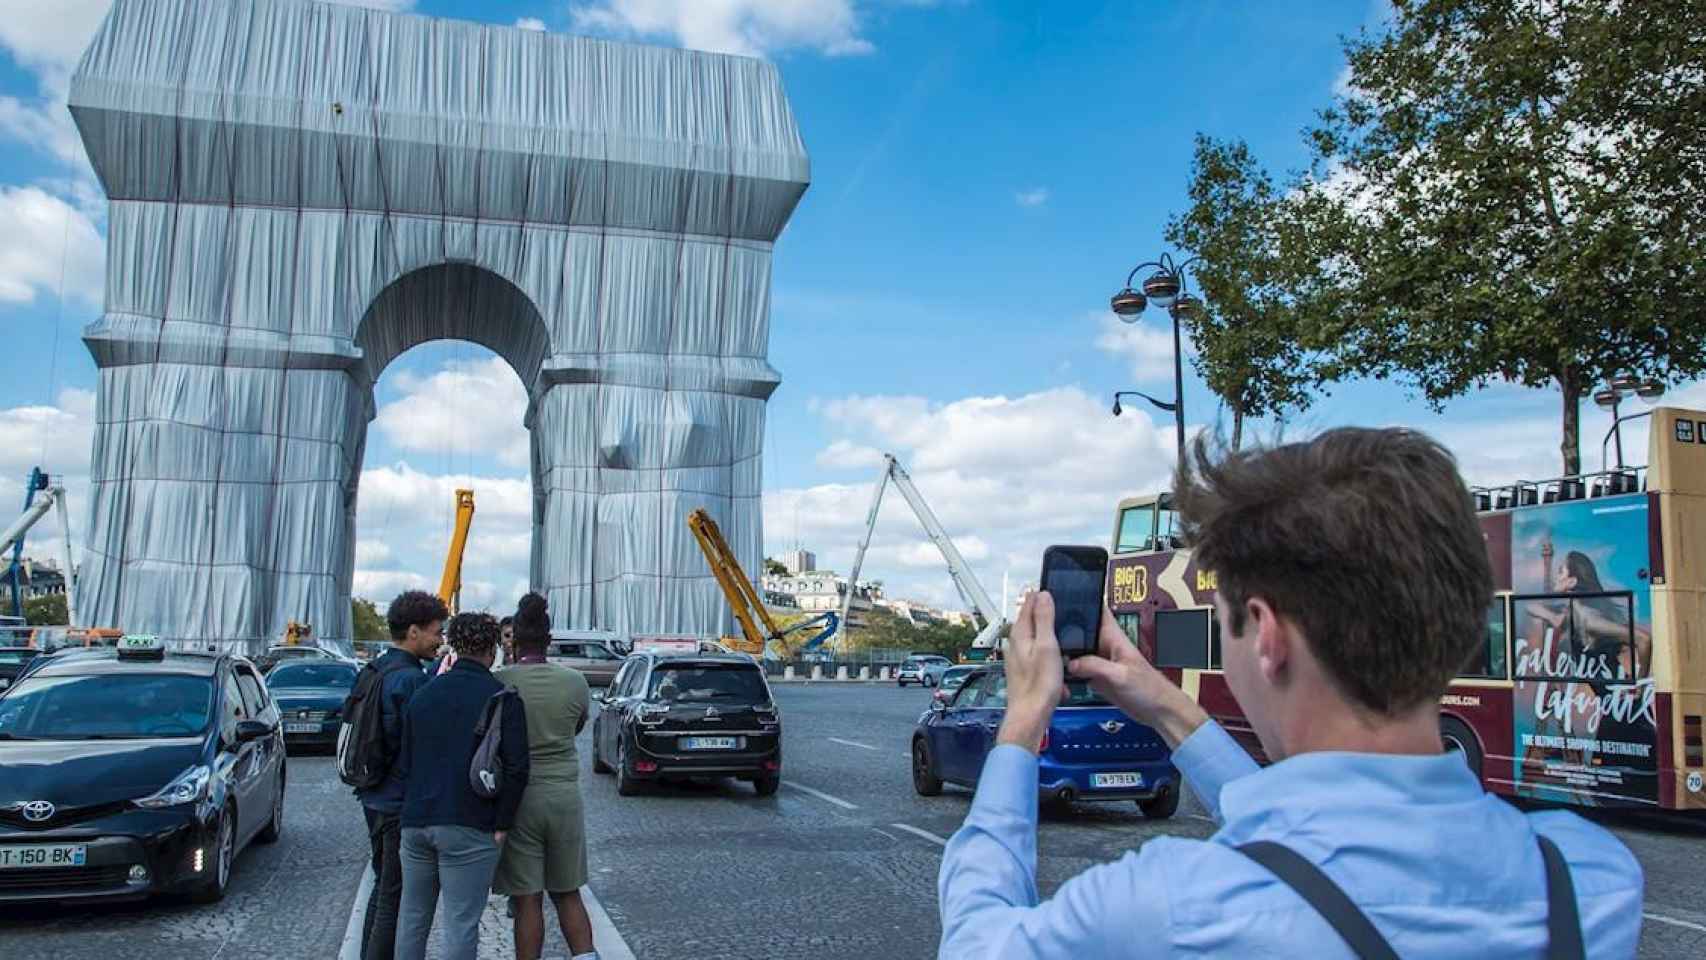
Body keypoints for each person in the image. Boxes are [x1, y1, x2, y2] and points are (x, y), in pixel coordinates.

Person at [938, 428, 1644, 958]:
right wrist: (1167, 708)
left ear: (1267, 636)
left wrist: (1023, 725)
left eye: (1224, 629)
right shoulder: (1588, 877)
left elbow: (979, 943)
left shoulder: (1178, 905)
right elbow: (1306, 832)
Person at [394, 612, 530, 960]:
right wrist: (503, 823)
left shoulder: (423, 693)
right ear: (493, 648)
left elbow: (405, 762)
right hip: (470, 821)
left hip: (416, 821)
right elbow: (516, 768)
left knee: (412, 919)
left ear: (453, 645)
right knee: (461, 923)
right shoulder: (502, 697)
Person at [493, 593, 598, 960]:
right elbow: (576, 727)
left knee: (526, 899)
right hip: (564, 796)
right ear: (550, 640)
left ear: (514, 640)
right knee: (568, 892)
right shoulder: (575, 682)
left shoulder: (500, 681)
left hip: (520, 799)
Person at [358, 590, 446, 960]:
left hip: (372, 793)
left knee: (383, 888)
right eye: (435, 632)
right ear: (413, 631)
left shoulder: (374, 669)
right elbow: (418, 744)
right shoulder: (410, 680)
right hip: (397, 800)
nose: (439, 640)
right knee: (395, 893)